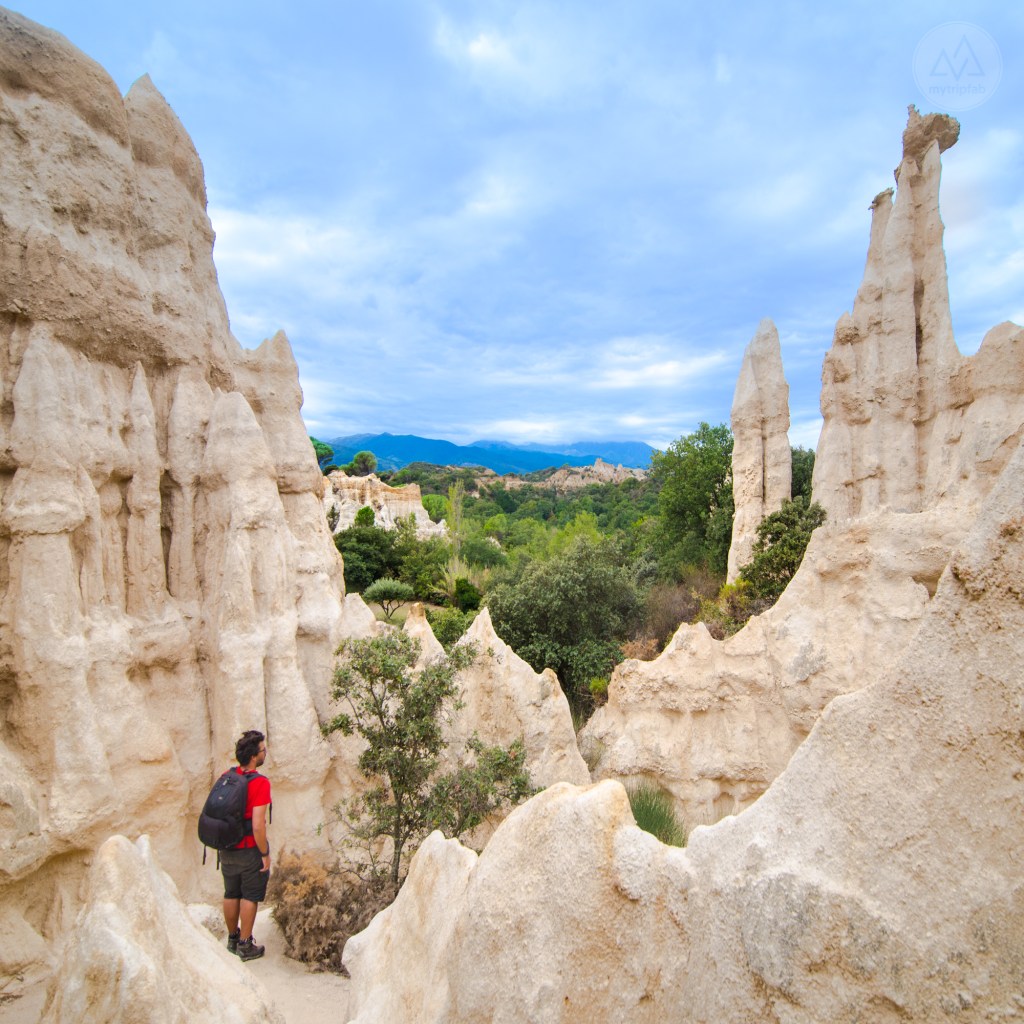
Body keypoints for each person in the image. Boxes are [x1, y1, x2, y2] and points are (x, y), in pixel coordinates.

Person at [221, 730, 271, 961]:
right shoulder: (260, 783)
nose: (265, 753)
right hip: (249, 848)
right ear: (253, 755)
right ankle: (245, 944)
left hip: (227, 846)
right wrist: (264, 853)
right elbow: (258, 825)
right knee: (250, 895)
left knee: (231, 892)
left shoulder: (228, 775)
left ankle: (232, 938)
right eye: (263, 750)